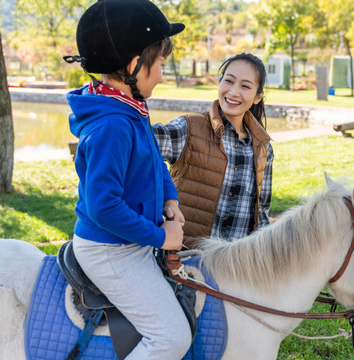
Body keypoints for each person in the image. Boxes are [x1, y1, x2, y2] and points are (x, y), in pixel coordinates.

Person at [64, 0, 191, 358]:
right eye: (161, 64)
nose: (163, 74)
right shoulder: (113, 125)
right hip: (110, 250)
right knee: (171, 337)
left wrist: (170, 199)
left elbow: (154, 162)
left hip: (127, 240)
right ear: (135, 65)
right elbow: (104, 206)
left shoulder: (130, 107)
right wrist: (160, 237)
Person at [153, 53, 274, 246]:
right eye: (229, 81)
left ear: (258, 96)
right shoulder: (189, 128)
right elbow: (142, 142)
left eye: (245, 86)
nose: (233, 92)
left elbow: (262, 214)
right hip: (185, 260)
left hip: (236, 265)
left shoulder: (263, 148)